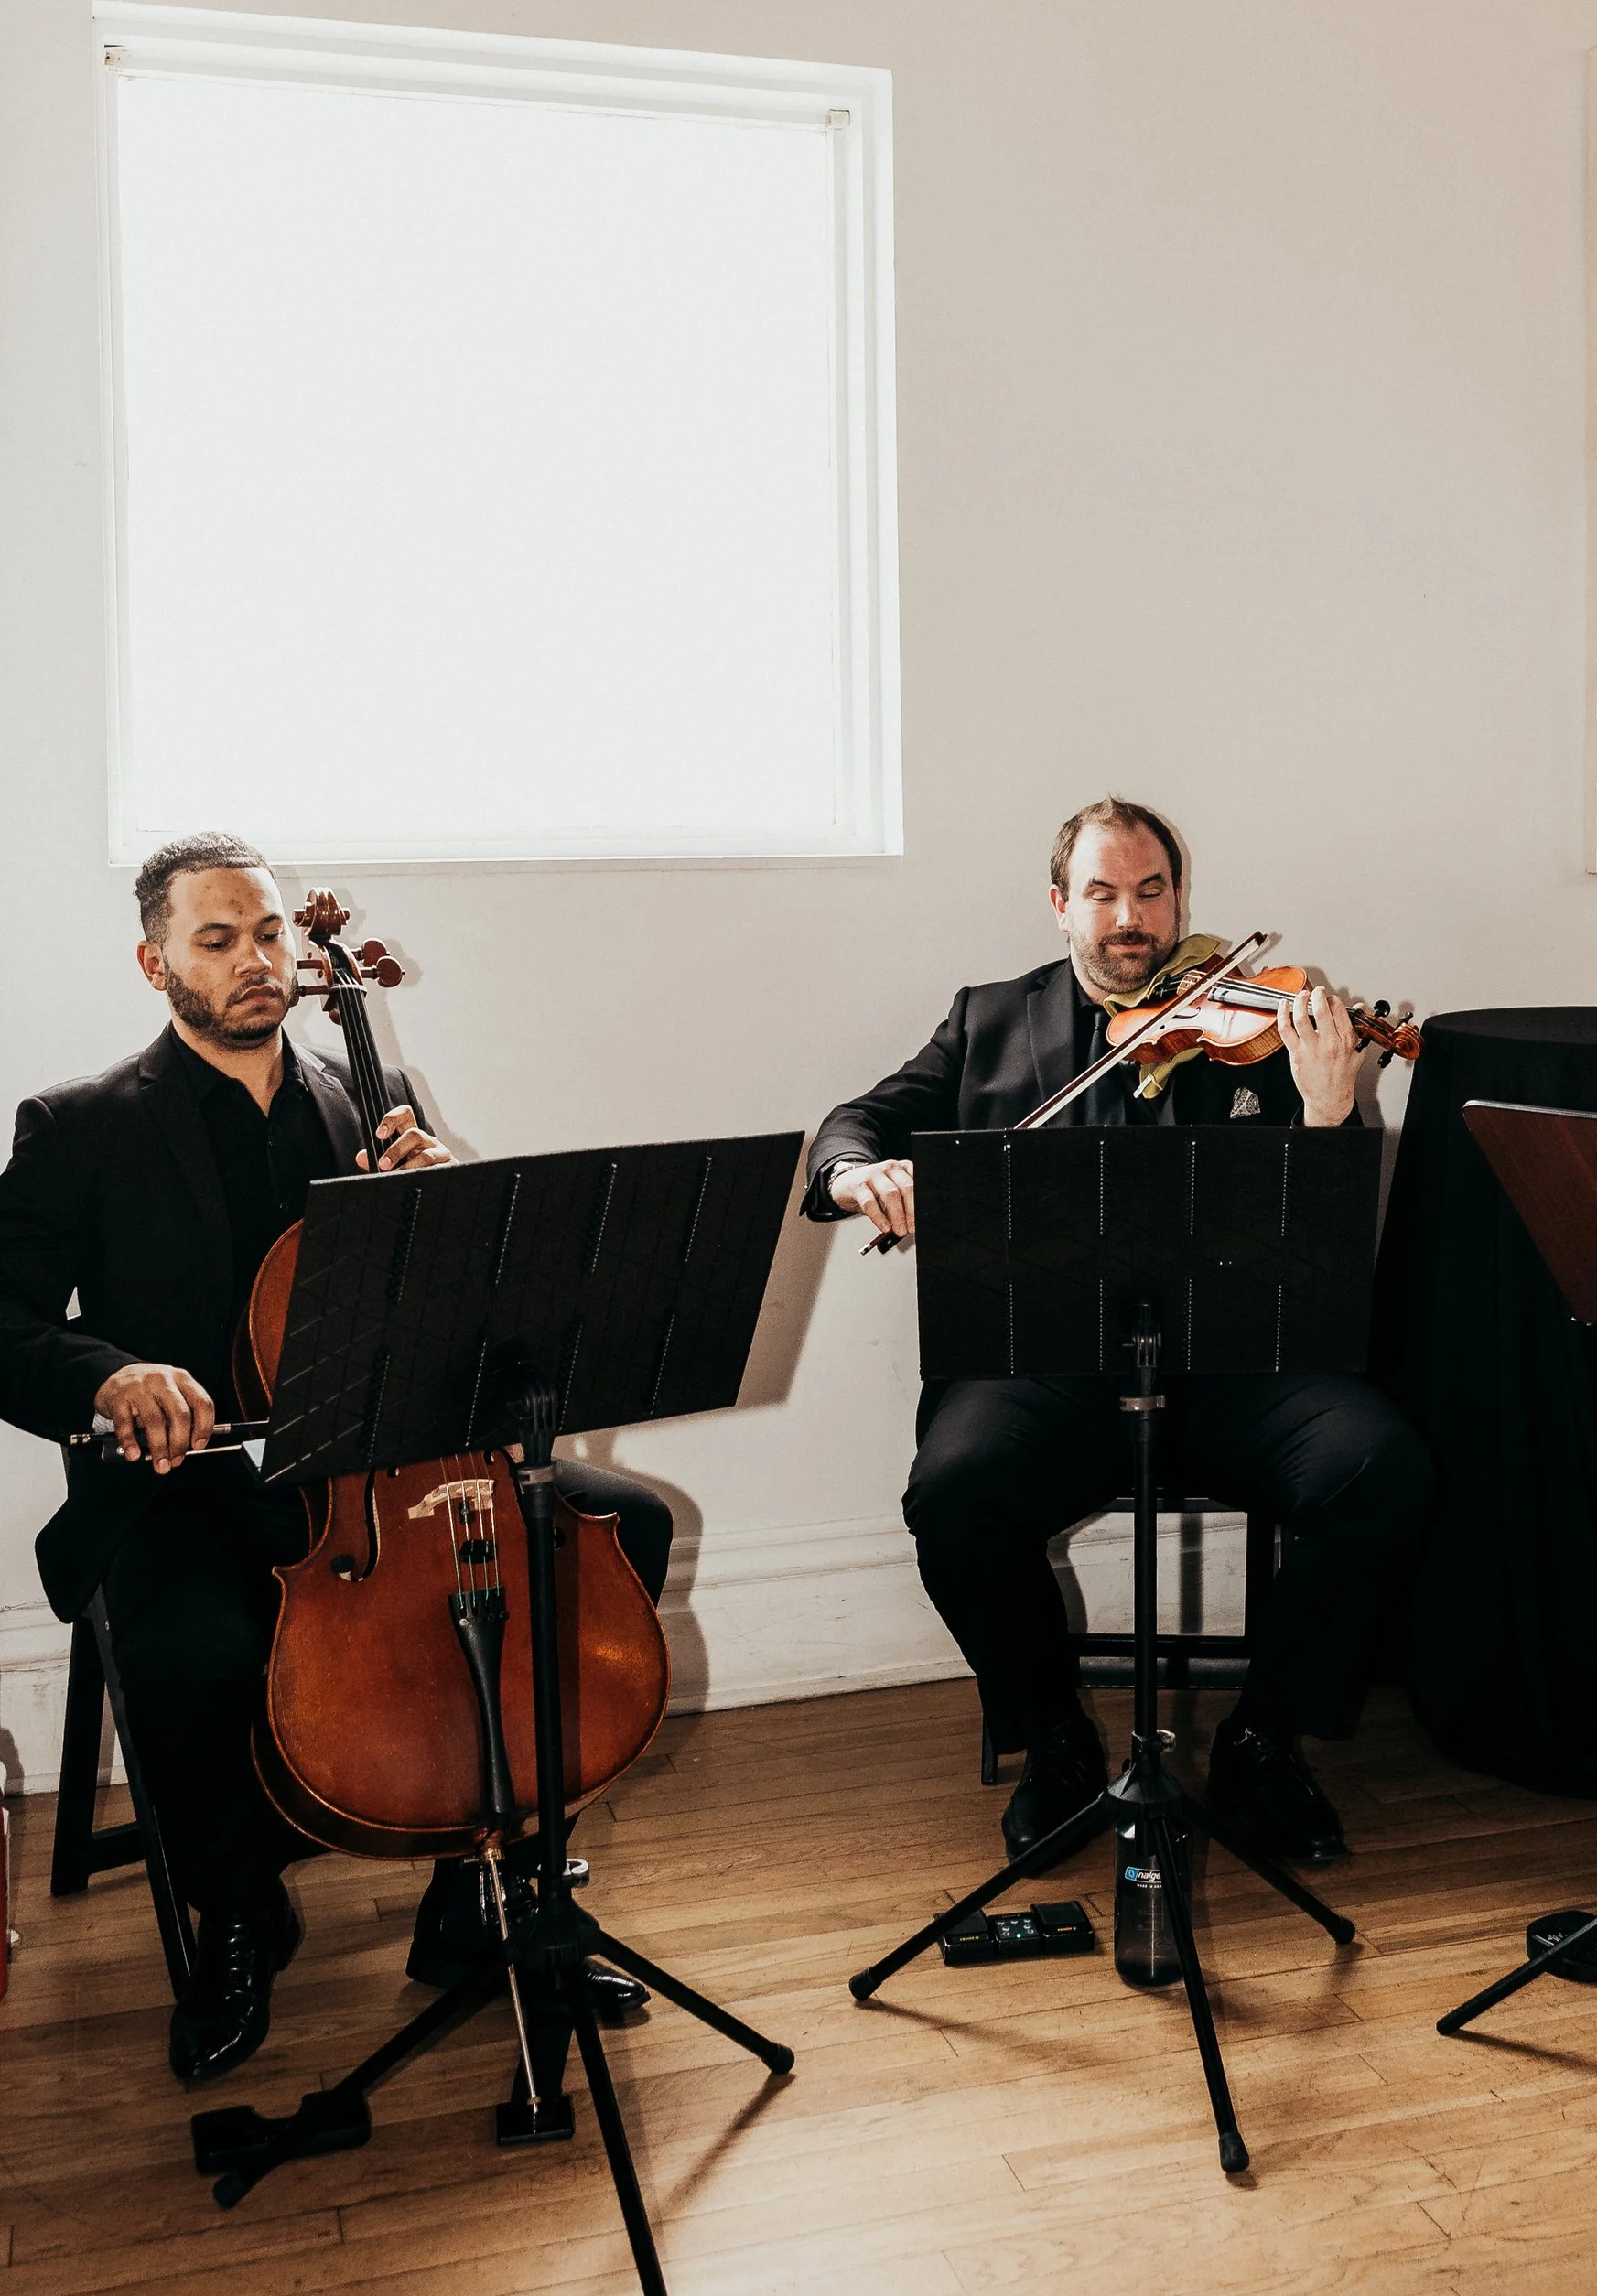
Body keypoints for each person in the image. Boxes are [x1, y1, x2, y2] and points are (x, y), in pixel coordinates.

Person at [0, 834, 672, 2086]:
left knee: (616, 1530)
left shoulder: (359, 1096)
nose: (258, 961)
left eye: (266, 933)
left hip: (377, 1475)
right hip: (187, 1485)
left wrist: (450, 1213)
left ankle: (487, 1894)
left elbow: (459, 1312)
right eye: (218, 940)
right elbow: (6, 1322)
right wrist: (109, 1373)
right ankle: (240, 1912)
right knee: (189, 1641)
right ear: (156, 966)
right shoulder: (80, 1128)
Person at [806, 795, 1436, 1868]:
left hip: (1231, 1365)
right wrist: (858, 1170)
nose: (1129, 917)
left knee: (1380, 1468)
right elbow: (856, 1120)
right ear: (1060, 905)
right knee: (953, 1491)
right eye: (1102, 892)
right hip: (1049, 1371)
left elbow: (1328, 1240)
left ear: (1179, 898)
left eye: (1151, 890)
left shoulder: (1256, 1027)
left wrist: (1330, 1111)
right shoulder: (989, 1019)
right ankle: (1053, 1742)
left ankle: (1263, 1739)